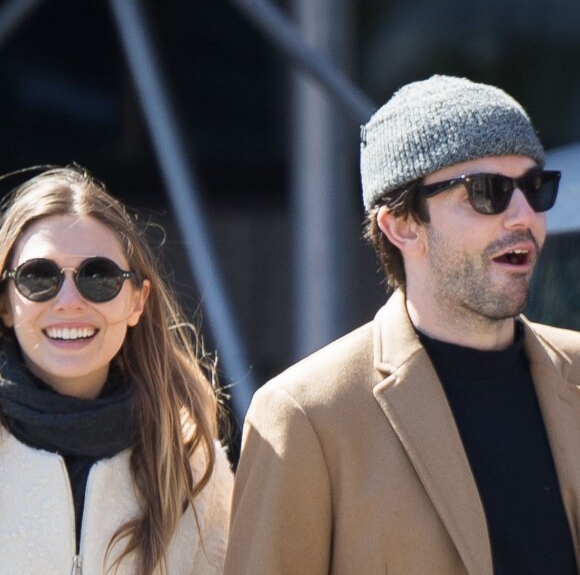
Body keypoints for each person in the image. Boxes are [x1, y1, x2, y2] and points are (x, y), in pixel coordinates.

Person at [224, 75, 580, 574]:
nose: (524, 216)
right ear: (402, 225)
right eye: (488, 192)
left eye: (534, 187)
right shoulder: (305, 416)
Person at [0, 165, 233, 574]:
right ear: (5, 303)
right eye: (38, 277)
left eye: (98, 277)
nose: (69, 301)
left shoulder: (193, 466)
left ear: (137, 302)